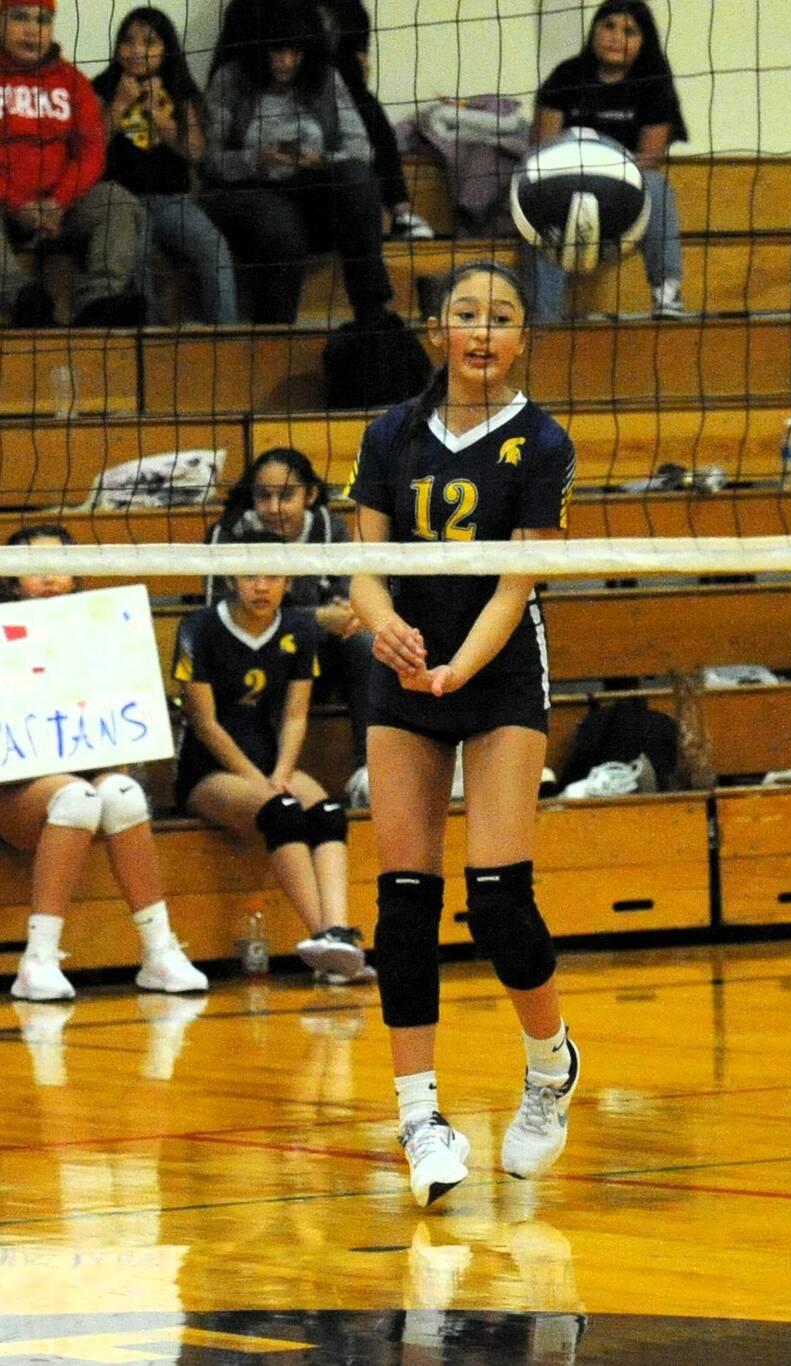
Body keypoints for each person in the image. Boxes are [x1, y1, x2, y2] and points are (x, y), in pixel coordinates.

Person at [345, 259, 580, 1208]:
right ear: (438, 329)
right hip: (405, 671)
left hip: (497, 672)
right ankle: (419, 1118)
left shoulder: (544, 444)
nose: (482, 333)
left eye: (503, 317)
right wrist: (380, 623)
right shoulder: (390, 434)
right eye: (466, 315)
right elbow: (363, 568)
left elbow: (518, 585)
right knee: (404, 902)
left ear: (524, 337)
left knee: (496, 901)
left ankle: (550, 1065)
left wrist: (457, 667)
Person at [2, 525, 207, 1001]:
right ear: (11, 581)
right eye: (32, 570)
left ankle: (159, 952)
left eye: (57, 567)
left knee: (122, 791)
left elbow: (119, 732)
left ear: (77, 575)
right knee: (76, 797)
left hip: (80, 783)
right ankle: (38, 960)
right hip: (11, 790)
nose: (47, 578)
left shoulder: (101, 633)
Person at [173, 532, 372, 985]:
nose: (261, 586)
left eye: (273, 575)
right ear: (230, 577)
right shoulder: (198, 628)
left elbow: (295, 715)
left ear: (289, 580)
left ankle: (340, 935)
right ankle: (321, 936)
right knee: (282, 812)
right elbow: (205, 724)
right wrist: (260, 782)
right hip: (210, 771)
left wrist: (280, 773)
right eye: (250, 575)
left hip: (270, 763)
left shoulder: (299, 629)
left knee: (327, 811)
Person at [199, 0, 394, 325]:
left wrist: (320, 161)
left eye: (296, 52)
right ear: (260, 48)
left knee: (357, 178)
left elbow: (361, 148)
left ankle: (373, 312)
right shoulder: (229, 81)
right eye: (277, 51)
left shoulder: (326, 79)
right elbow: (209, 161)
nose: (286, 62)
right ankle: (274, 332)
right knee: (280, 224)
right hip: (247, 193)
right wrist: (255, 160)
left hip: (312, 189)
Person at [203, 447, 374, 795]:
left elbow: (346, 598)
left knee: (363, 643)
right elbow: (218, 613)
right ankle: (261, 770)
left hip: (316, 657)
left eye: (286, 495)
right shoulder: (228, 534)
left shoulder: (330, 529)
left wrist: (344, 614)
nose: (274, 507)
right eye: (263, 496)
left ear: (310, 494)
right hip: (252, 655)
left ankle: (367, 771)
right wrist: (317, 618)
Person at [529, 0, 686, 322]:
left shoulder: (654, 85)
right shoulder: (567, 75)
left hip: (621, 195)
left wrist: (605, 171)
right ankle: (544, 318)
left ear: (644, 40)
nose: (616, 37)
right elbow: (544, 149)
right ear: (595, 31)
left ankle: (667, 292)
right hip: (566, 186)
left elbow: (650, 159)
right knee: (538, 195)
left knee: (657, 185)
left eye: (628, 31)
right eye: (608, 26)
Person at [0, 0, 146, 327]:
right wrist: (17, 204)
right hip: (5, 206)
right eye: (20, 17)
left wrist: (58, 202)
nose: (31, 29)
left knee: (117, 200)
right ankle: (24, 300)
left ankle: (99, 305)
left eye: (42, 20)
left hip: (60, 208)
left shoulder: (72, 80)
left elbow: (93, 151)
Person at [90, 7, 238, 324]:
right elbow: (91, 148)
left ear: (166, 49)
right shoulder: (102, 87)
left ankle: (227, 332)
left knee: (213, 246)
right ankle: (151, 332)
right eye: (128, 41)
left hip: (172, 201)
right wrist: (118, 106)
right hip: (121, 202)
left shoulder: (180, 88)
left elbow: (195, 152)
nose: (136, 50)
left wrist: (158, 114)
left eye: (150, 42)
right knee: (135, 254)